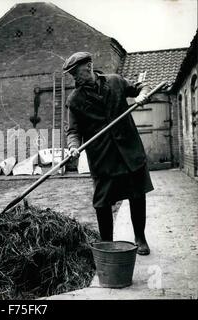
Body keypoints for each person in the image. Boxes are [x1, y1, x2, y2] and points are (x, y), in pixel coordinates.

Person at [62, 52, 153, 255]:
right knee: (102, 203)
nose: (75, 79)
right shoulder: (74, 100)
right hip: (103, 158)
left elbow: (142, 86)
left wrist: (142, 95)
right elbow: (73, 131)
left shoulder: (115, 81)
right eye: (72, 76)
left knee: (137, 196)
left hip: (129, 151)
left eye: (77, 74)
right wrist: (73, 147)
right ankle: (107, 244)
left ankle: (140, 238)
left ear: (89, 67)